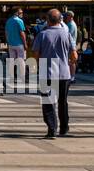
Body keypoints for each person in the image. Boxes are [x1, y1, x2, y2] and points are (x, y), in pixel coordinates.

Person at [29, 8, 76, 138]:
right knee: (63, 102)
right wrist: (68, 62)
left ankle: (52, 129)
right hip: (64, 73)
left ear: (48, 20)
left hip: (47, 73)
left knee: (48, 102)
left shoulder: (42, 35)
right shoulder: (67, 34)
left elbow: (36, 55)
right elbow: (75, 56)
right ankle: (64, 128)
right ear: (60, 19)